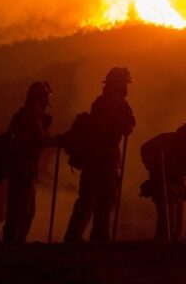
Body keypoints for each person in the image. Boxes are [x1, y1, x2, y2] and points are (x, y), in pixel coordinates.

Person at [64, 67, 135, 242]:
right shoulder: (120, 104)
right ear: (119, 84)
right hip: (107, 159)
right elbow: (126, 128)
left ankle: (73, 236)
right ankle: (99, 238)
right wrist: (131, 121)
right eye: (125, 83)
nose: (126, 87)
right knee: (105, 199)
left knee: (86, 199)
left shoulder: (99, 102)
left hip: (91, 159)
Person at [2, 81, 57, 243]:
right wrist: (61, 139)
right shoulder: (32, 116)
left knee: (25, 210)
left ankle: (15, 243)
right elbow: (42, 140)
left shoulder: (24, 115)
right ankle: (12, 245)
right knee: (21, 209)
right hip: (24, 168)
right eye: (46, 96)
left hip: (23, 167)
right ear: (41, 97)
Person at [139, 121, 186, 242]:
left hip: (178, 185)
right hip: (163, 183)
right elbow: (145, 148)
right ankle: (160, 247)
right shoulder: (167, 139)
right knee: (168, 223)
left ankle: (169, 249)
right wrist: (153, 166)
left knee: (177, 228)